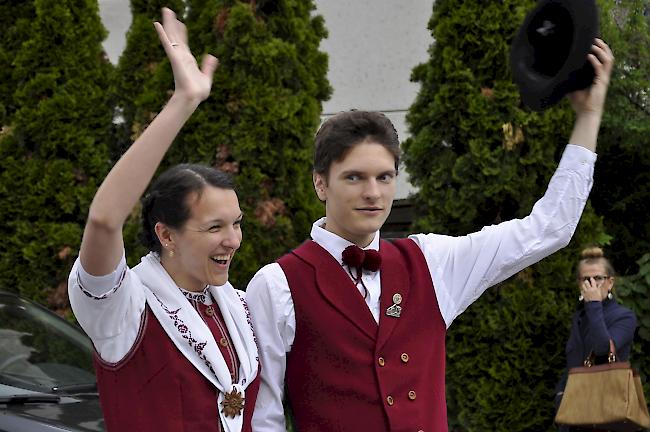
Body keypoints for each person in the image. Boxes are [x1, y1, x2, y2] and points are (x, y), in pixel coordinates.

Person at [245, 38, 615, 432]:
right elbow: (262, 416)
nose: (373, 192)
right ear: (321, 183)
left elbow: (548, 229)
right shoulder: (275, 285)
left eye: (384, 177)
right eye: (354, 177)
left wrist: (589, 116)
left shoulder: (432, 261)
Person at [68, 8, 259, 432]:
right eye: (214, 227)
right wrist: (184, 100)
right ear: (166, 234)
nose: (233, 240)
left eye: (237, 223)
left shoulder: (239, 306)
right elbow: (103, 220)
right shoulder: (124, 307)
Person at [555, 247, 637, 432]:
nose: (591, 284)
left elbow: (602, 350)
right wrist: (560, 395)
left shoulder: (624, 317)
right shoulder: (580, 316)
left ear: (610, 283)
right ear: (579, 284)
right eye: (586, 279)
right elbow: (573, 362)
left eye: (598, 278)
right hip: (575, 415)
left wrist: (594, 304)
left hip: (608, 415)